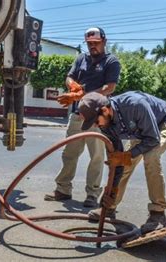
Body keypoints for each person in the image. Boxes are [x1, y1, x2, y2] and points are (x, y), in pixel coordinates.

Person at [78, 91, 166, 233]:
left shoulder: (135, 104)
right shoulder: (105, 124)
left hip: (163, 124)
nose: (95, 125)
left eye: (95, 121)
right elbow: (117, 161)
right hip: (141, 131)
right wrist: (110, 196)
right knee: (122, 163)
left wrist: (129, 154)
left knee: (151, 157)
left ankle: (158, 213)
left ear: (105, 110)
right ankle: (109, 209)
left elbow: (152, 139)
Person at [44, 27, 121, 207]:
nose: (93, 47)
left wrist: (82, 95)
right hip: (78, 115)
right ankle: (63, 189)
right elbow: (69, 77)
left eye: (96, 43)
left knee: (96, 156)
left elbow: (109, 88)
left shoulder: (111, 61)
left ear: (104, 41)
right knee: (69, 153)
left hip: (98, 118)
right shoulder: (81, 59)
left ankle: (92, 194)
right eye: (90, 44)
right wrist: (73, 86)